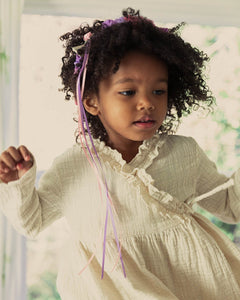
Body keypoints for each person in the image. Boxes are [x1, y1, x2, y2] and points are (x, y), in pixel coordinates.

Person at [0, 7, 240, 300]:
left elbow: (231, 205)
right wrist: (17, 184)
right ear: (91, 102)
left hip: (190, 288)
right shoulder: (73, 167)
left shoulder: (184, 153)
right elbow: (31, 222)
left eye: (158, 91)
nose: (146, 103)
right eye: (128, 92)